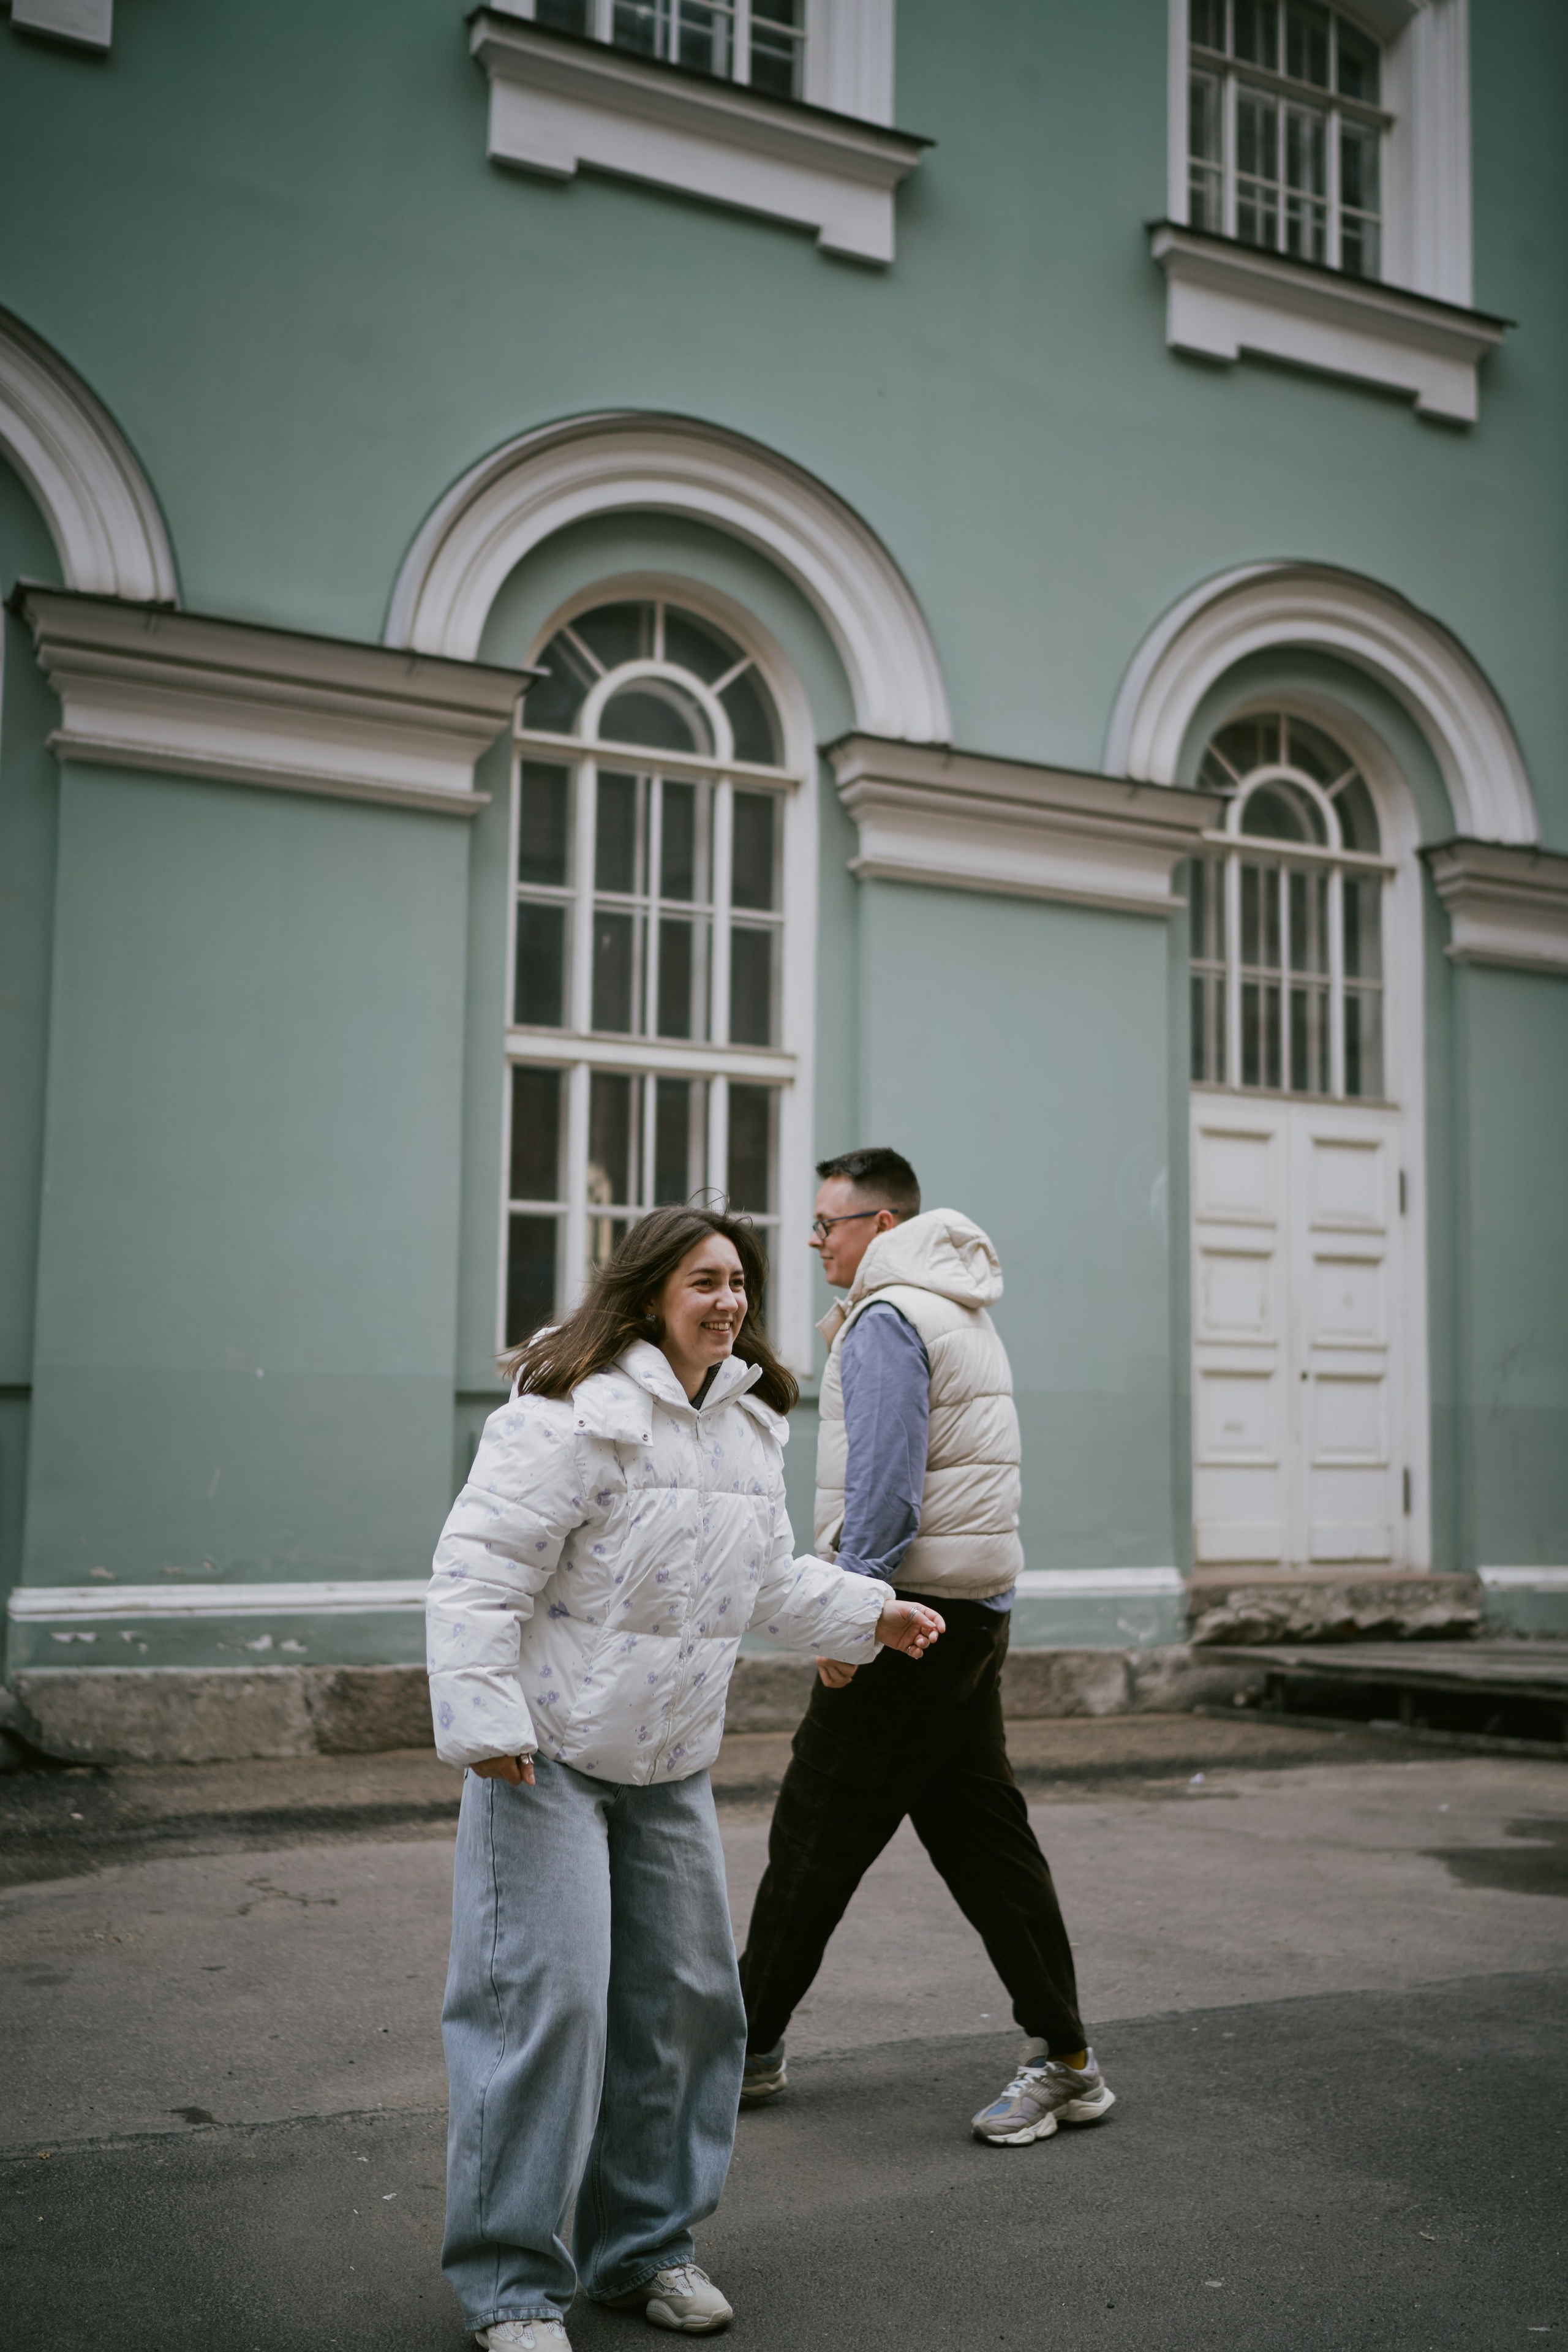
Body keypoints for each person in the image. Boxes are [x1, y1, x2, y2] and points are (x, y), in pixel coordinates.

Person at [426, 1204, 944, 2350]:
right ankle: (511, 2285)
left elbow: (762, 1580)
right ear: (652, 1290)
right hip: (546, 1757)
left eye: (742, 1283)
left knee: (686, 2015)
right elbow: (477, 1578)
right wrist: (484, 1721)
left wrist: (871, 1612)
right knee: (544, 2015)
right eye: (707, 1282)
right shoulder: (569, 1416)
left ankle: (644, 2250)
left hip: (668, 1766)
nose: (731, 1302)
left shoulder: (746, 1426)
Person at [736, 1147, 1115, 2148]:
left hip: (912, 1622)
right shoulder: (960, 1307)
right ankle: (1068, 2062)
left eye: (831, 1224)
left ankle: (741, 2049)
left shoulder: (889, 1316)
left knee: (816, 1834)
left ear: (886, 1225)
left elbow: (891, 1489)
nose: (817, 1241)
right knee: (986, 1842)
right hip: (973, 1613)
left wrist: (851, 1617)